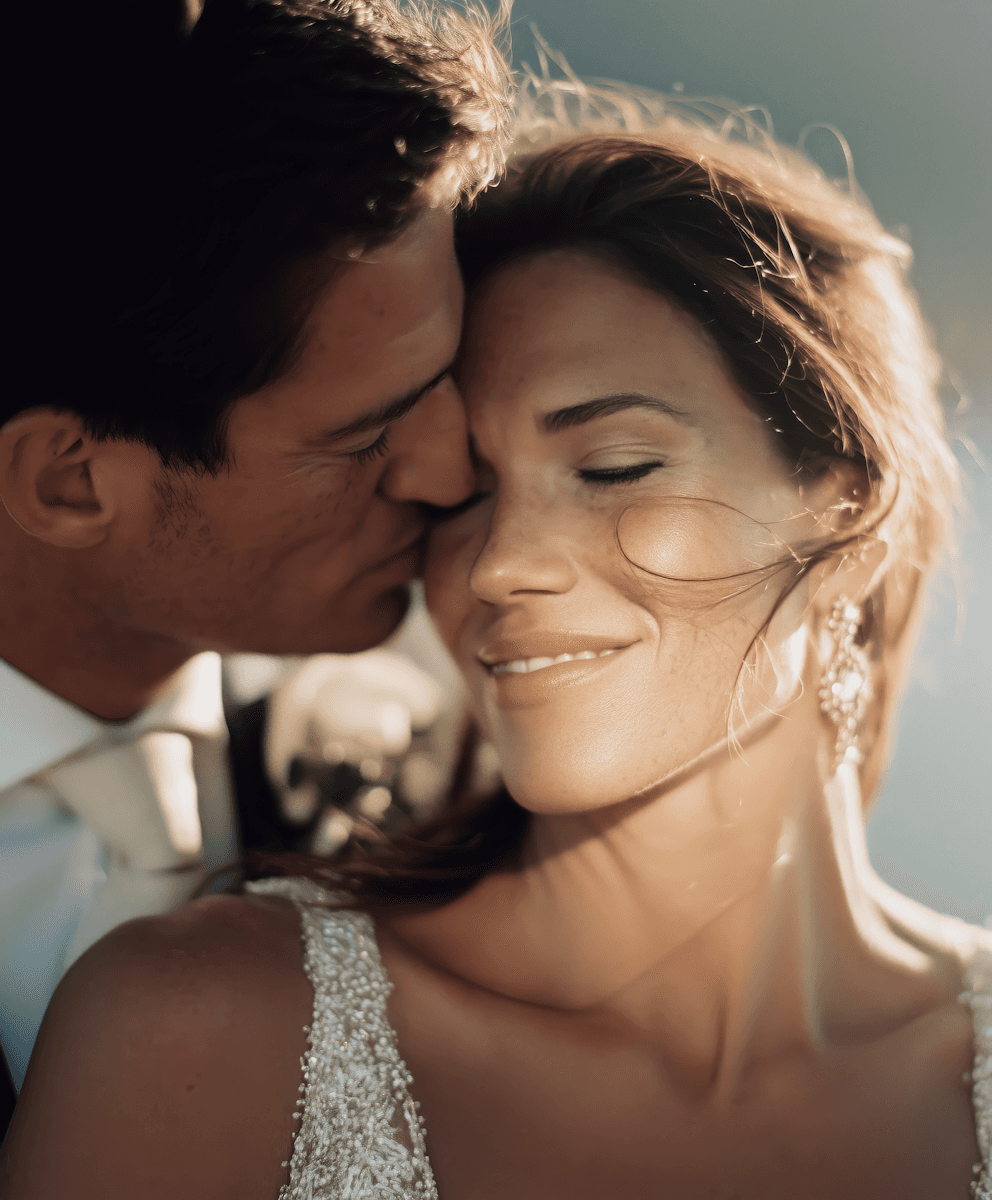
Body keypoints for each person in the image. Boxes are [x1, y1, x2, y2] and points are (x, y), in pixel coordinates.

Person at [3, 80, 990, 1199]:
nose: (498, 562)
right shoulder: (197, 1030)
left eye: (613, 468)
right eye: (464, 494)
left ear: (846, 513)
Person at [0, 0, 510, 1122]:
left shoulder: (440, 772)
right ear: (68, 482)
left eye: (445, 376)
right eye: (365, 433)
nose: (449, 469)